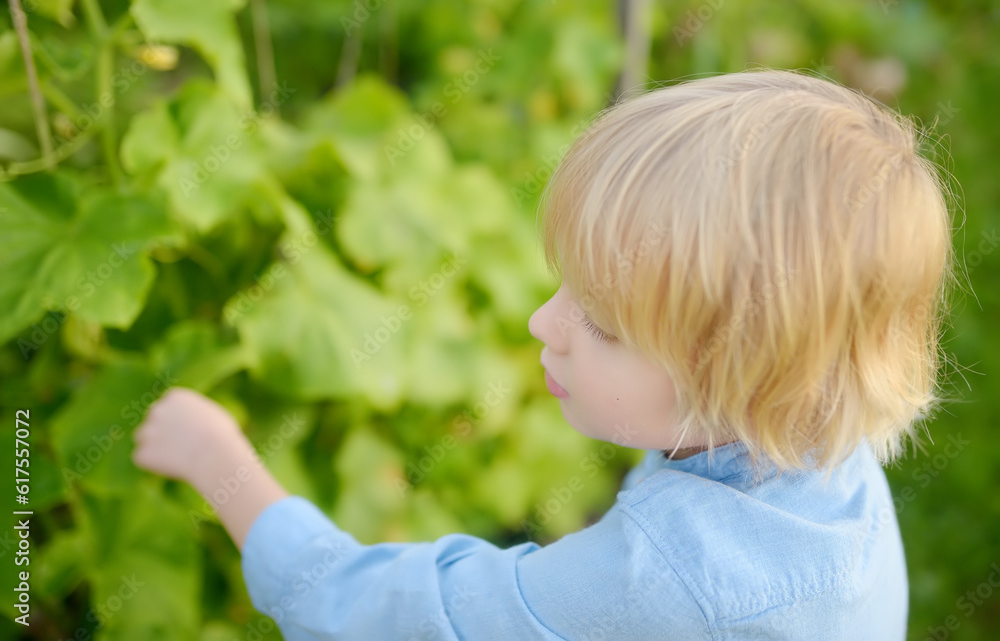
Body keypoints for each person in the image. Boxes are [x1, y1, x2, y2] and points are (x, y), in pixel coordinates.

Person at [131, 69, 957, 639]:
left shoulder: (661, 577)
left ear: (744, 378)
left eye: (600, 323)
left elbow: (382, 617)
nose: (540, 322)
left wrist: (224, 464)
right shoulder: (821, 452)